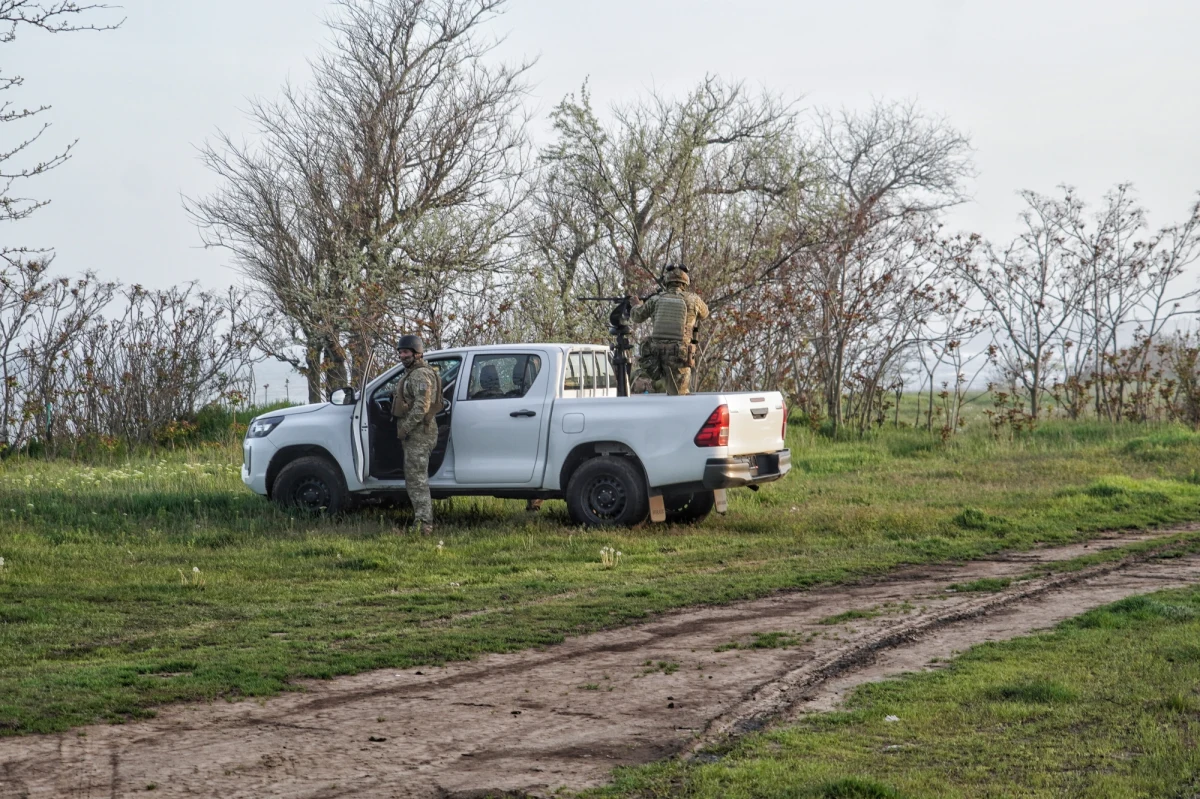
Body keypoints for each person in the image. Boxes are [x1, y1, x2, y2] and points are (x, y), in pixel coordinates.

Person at [629, 264, 709, 395]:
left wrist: (636, 305)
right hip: (680, 355)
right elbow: (705, 313)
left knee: (656, 389)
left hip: (656, 355)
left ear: (666, 281)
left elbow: (637, 316)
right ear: (685, 283)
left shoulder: (656, 299)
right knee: (679, 395)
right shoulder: (694, 299)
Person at [391, 334, 442, 534]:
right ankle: (422, 521)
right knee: (415, 478)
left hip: (419, 434)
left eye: (406, 352)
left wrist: (405, 428)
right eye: (401, 352)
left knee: (417, 480)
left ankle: (424, 524)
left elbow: (422, 406)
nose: (402, 356)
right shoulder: (414, 373)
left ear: (417, 353)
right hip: (418, 433)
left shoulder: (420, 375)